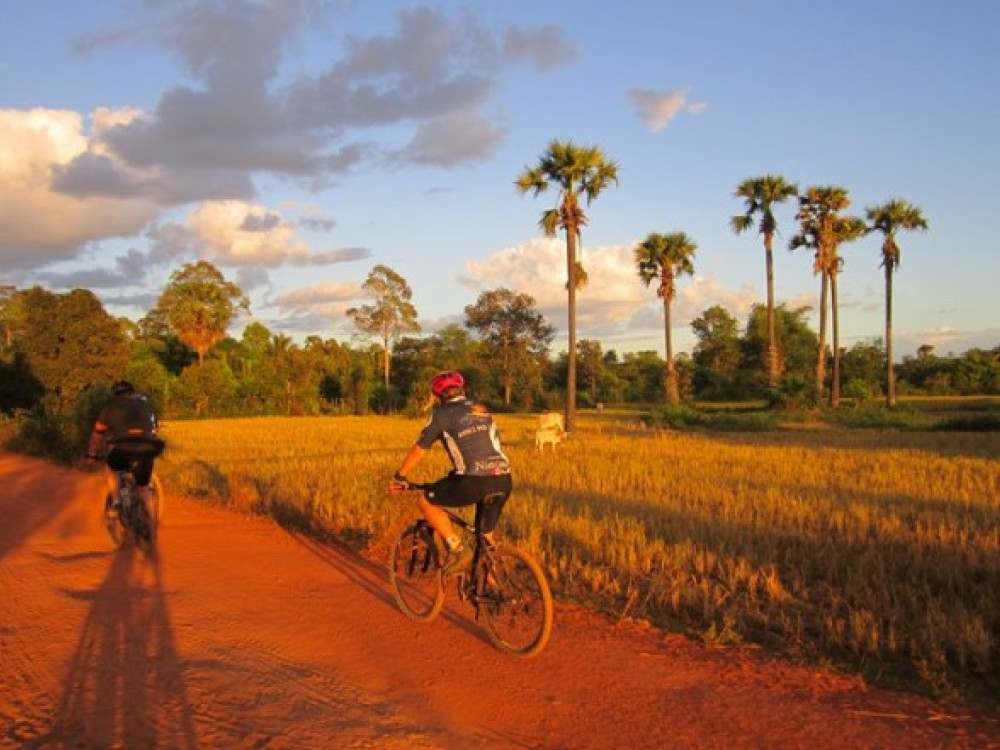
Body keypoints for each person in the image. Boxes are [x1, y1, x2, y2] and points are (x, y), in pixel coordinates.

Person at [389, 370, 512, 574]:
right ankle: (494, 587)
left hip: (473, 481)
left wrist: (399, 476)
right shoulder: (481, 408)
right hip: (503, 479)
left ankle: (457, 549)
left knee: (427, 501)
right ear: (462, 389)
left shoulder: (441, 415)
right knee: (485, 535)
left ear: (438, 396)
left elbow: (420, 448)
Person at [86, 380, 163, 517]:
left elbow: (97, 433)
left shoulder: (110, 409)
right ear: (132, 393)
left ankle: (116, 503)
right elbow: (155, 427)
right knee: (143, 487)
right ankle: (149, 521)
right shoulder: (145, 406)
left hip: (123, 450)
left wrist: (91, 454)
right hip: (147, 449)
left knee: (111, 468)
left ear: (115, 394)